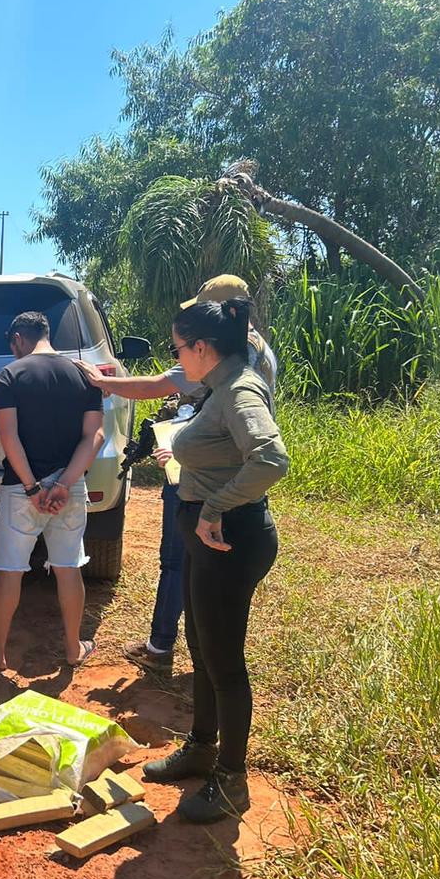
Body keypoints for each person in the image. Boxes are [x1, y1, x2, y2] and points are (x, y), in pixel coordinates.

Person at [74, 274, 276, 672]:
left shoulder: (224, 358)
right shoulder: (260, 350)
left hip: (203, 472)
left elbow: (160, 383)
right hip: (232, 474)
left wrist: (103, 383)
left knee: (178, 558)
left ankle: (164, 648)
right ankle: (202, 654)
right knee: (206, 571)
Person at [141, 298, 288, 823]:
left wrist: (218, 506)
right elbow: (219, 449)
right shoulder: (218, 386)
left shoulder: (240, 389)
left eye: (179, 349)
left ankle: (231, 780)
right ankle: (202, 748)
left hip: (232, 537)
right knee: (202, 648)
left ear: (201, 347)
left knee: (224, 661)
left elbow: (272, 458)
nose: (178, 359)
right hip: (208, 535)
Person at [0, 311, 105, 672]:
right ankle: (74, 649)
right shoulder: (83, 374)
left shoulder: (13, 374)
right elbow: (94, 436)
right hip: (69, 489)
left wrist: (31, 487)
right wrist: (63, 484)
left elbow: (9, 436)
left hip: (20, 490)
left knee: (9, 571)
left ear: (18, 340)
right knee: (68, 568)